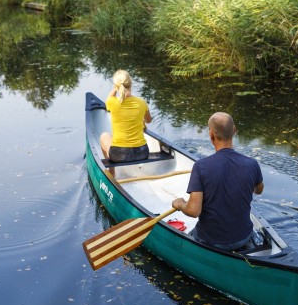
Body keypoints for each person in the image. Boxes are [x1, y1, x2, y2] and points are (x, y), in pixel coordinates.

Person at [171, 112, 264, 250]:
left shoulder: (201, 167)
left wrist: (180, 204)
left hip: (210, 241)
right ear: (234, 130)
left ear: (211, 135)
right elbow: (259, 190)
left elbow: (193, 211)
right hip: (243, 238)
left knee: (182, 243)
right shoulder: (252, 164)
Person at [99, 69, 152, 163]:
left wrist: (116, 88)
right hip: (142, 153)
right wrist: (141, 121)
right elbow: (148, 121)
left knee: (104, 136)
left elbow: (108, 99)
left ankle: (112, 171)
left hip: (119, 155)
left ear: (116, 85)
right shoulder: (142, 102)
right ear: (131, 83)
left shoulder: (112, 102)